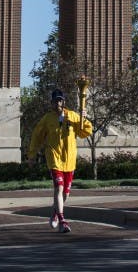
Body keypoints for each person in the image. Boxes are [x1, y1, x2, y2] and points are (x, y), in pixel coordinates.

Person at [27, 87, 92, 234]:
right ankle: (62, 220)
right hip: (54, 157)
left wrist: (84, 119)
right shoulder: (47, 119)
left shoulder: (73, 116)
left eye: (60, 100)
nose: (58, 103)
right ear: (51, 103)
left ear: (64, 102)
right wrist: (32, 154)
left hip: (69, 160)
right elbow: (37, 136)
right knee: (59, 187)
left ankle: (55, 211)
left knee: (66, 193)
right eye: (55, 100)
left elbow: (84, 132)